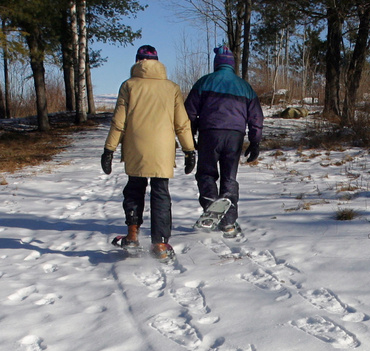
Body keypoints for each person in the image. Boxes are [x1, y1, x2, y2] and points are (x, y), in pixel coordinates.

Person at [101, 45, 196, 261]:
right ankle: (161, 244)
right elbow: (182, 123)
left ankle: (132, 236)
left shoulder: (129, 86)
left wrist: (109, 149)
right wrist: (189, 149)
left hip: (136, 146)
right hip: (163, 148)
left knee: (135, 189)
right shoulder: (171, 87)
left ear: (138, 62)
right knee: (161, 192)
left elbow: (119, 122)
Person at [184, 45, 264, 238]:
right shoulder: (244, 86)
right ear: (232, 65)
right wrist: (255, 142)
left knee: (206, 173)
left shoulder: (204, 82)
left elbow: (189, 113)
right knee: (229, 178)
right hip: (235, 136)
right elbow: (256, 117)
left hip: (209, 134)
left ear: (216, 64)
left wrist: (191, 135)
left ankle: (211, 204)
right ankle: (229, 222)